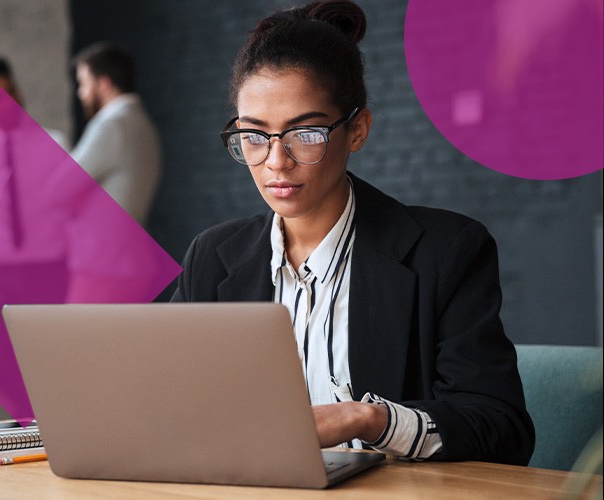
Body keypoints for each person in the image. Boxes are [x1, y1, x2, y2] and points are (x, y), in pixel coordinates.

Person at [171, 0, 535, 465]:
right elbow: (167, 399)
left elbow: (502, 430)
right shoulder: (213, 256)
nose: (276, 161)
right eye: (254, 135)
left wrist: (367, 420)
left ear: (357, 129)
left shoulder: (446, 252)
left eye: (305, 134)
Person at [0, 57, 74, 384]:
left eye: (11, 91)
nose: (8, 102)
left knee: (53, 367)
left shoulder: (55, 144)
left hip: (49, 271)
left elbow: (73, 213)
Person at [67, 43, 163, 302]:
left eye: (84, 83)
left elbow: (59, 188)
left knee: (79, 340)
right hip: (129, 261)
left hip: (104, 264)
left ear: (104, 83)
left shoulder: (112, 125)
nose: (81, 93)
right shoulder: (142, 123)